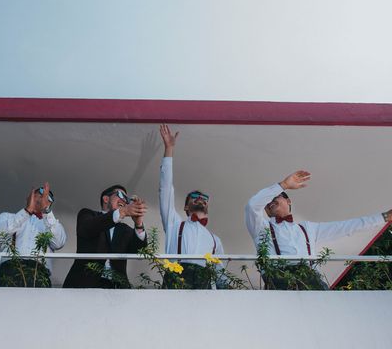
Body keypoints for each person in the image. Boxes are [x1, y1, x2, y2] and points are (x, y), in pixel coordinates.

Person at [245, 169, 392, 289]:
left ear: (288, 201)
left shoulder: (307, 228)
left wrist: (384, 217)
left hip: (311, 283)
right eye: (267, 202)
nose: (269, 202)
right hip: (278, 283)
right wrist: (283, 185)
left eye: (274, 198)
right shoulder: (261, 228)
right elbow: (252, 205)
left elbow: (345, 227)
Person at [158, 124, 226, 289]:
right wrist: (169, 150)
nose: (200, 199)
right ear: (186, 207)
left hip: (203, 286)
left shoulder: (215, 240)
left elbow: (220, 274)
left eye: (204, 198)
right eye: (194, 197)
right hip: (176, 279)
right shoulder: (174, 223)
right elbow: (165, 189)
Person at [63, 184, 147, 288]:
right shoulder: (87, 215)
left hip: (117, 288)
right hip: (84, 284)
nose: (124, 200)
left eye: (126, 199)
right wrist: (122, 212)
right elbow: (89, 228)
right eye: (120, 195)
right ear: (106, 199)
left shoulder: (125, 229)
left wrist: (138, 224)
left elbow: (140, 252)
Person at [0, 183, 67, 287]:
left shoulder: (51, 224)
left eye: (48, 198)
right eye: (40, 193)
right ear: (29, 197)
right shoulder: (7, 217)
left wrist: (46, 211)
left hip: (38, 274)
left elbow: (59, 243)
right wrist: (26, 212)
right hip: (8, 271)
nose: (43, 197)